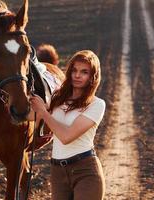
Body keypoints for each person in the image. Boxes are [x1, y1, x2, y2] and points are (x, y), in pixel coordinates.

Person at [29, 50, 106, 200]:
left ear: (93, 77)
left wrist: (44, 112)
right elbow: (31, 115)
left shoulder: (96, 104)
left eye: (84, 72)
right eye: (75, 70)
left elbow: (66, 137)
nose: (77, 75)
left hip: (85, 171)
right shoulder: (57, 97)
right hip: (57, 172)